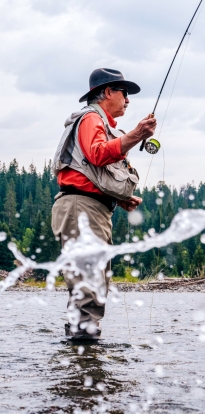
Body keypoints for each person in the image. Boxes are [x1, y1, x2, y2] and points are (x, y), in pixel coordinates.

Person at [51, 68, 156, 339]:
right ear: (108, 92)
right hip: (81, 209)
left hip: (85, 207)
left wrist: (120, 199)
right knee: (90, 283)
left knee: (91, 281)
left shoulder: (97, 121)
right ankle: (84, 357)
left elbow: (88, 172)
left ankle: (81, 355)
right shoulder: (90, 118)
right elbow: (97, 155)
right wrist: (135, 135)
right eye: (124, 93)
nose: (128, 100)